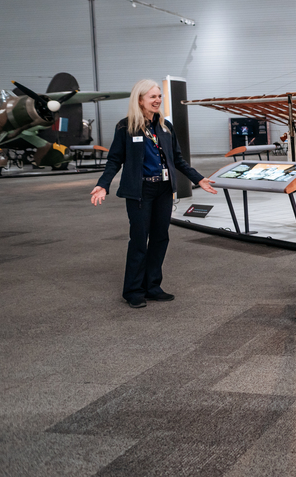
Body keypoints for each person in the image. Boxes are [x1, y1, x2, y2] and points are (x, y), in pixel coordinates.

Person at [90, 79, 217, 309]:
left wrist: (198, 178)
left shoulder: (165, 127)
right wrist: (103, 184)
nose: (158, 100)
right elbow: (114, 160)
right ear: (140, 100)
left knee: (160, 238)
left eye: (159, 96)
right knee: (139, 240)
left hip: (163, 190)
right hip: (140, 191)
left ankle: (152, 286)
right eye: (152, 97)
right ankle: (133, 290)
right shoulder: (125, 127)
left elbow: (177, 159)